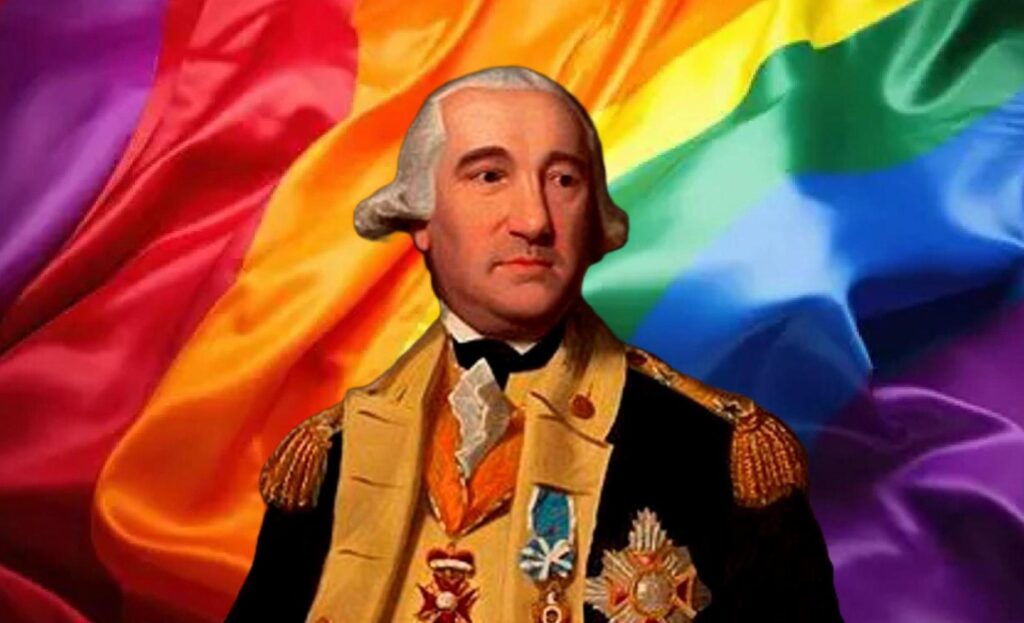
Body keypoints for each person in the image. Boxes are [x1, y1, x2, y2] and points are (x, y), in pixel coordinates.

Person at [226, 66, 842, 623]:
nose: (534, 220)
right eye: (489, 176)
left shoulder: (712, 453)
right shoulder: (332, 458)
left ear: (593, 218)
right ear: (421, 219)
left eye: (563, 179)